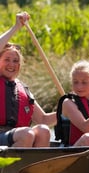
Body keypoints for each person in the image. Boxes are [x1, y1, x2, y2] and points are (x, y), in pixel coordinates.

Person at [0, 12, 56, 147]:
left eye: (15, 61)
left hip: (18, 135)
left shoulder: (22, 89)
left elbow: (43, 119)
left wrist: (66, 109)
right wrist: (16, 27)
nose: (11, 64)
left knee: (43, 130)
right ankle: (10, 168)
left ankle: (35, 168)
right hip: (6, 135)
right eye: (7, 60)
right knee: (27, 134)